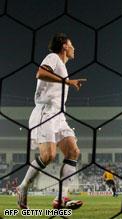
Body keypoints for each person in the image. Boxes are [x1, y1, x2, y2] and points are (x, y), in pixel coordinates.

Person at [16, 33, 86, 209]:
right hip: (45, 113)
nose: (74, 48)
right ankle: (23, 187)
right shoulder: (53, 57)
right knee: (48, 156)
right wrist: (67, 82)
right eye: (71, 45)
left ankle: (60, 199)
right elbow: (40, 73)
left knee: (73, 151)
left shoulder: (62, 66)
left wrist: (67, 81)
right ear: (64, 46)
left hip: (59, 116)